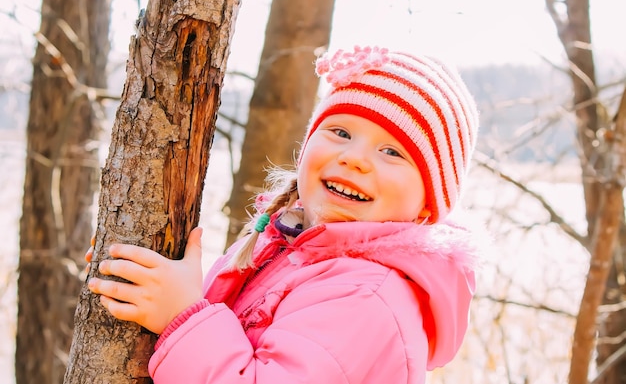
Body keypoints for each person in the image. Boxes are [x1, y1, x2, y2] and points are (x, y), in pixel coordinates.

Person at [87, 45, 481, 383]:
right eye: (341, 132)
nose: (354, 158)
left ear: (428, 206)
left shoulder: (367, 295)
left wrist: (182, 315)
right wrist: (148, 284)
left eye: (392, 152)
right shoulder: (285, 246)